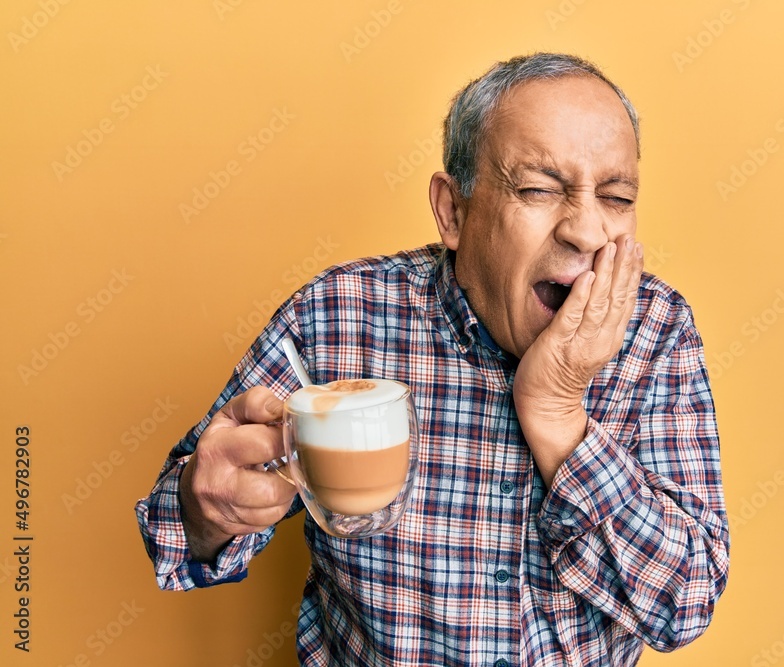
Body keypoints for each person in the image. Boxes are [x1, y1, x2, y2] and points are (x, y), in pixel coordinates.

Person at [136, 52, 729, 666]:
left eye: (616, 196)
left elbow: (684, 604)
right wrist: (204, 509)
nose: (586, 230)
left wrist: (557, 413)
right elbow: (172, 534)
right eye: (538, 189)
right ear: (453, 211)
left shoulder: (658, 330)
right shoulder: (336, 316)